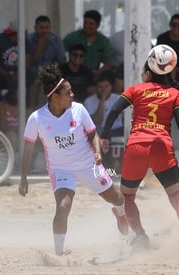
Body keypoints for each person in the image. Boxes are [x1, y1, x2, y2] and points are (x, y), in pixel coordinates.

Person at [100, 49, 179, 255]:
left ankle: (140, 236)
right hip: (162, 148)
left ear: (148, 72)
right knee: (178, 200)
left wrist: (104, 136)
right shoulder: (175, 94)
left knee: (128, 198)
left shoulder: (135, 89)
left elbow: (114, 110)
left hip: (136, 147)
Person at [19, 64, 128, 256]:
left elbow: (93, 133)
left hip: (88, 165)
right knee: (63, 206)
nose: (72, 95)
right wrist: (23, 177)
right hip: (61, 169)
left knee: (118, 199)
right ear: (54, 97)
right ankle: (59, 253)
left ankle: (120, 216)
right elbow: (28, 149)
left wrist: (97, 152)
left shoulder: (78, 110)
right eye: (68, 92)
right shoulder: (37, 118)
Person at [0, 19, 30, 115]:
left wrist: (19, 73)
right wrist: (4, 73)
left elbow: (28, 61)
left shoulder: (26, 42)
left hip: (17, 72)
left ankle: (28, 107)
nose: (26, 35)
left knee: (32, 74)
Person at [63, 10, 114, 79]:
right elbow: (60, 51)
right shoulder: (73, 37)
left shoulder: (103, 41)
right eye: (85, 23)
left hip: (94, 75)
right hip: (73, 75)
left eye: (91, 24)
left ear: (98, 25)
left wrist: (98, 72)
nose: (87, 26)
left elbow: (110, 62)